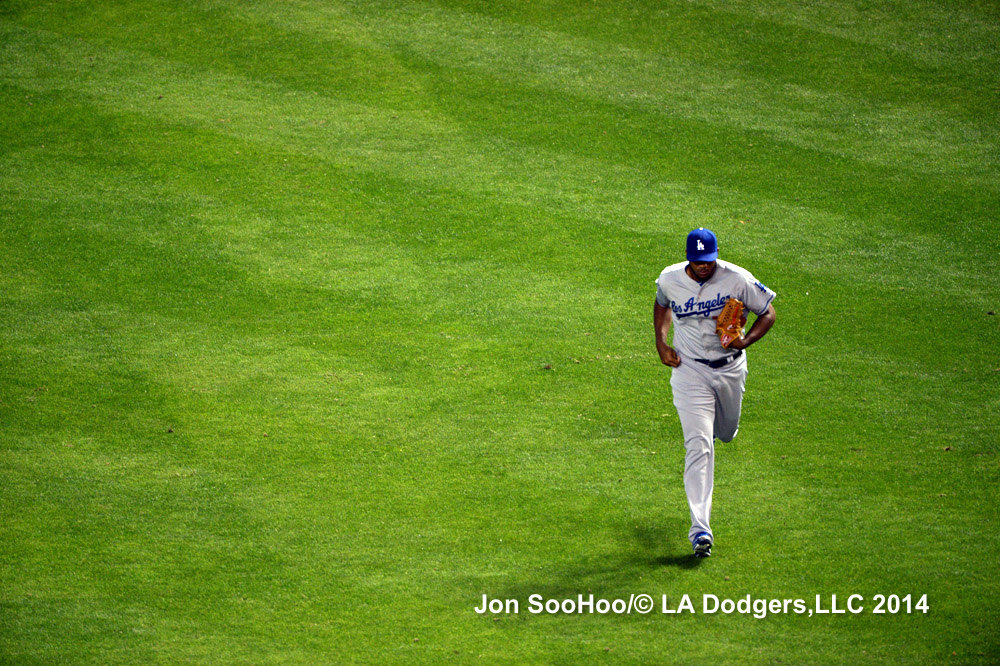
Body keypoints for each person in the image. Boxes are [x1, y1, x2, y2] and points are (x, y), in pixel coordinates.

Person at [653, 228, 776, 558]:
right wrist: (661, 343)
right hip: (689, 370)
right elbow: (662, 304)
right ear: (688, 258)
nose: (703, 266)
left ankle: (726, 428)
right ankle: (700, 530)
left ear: (715, 255)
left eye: (708, 261)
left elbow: (768, 312)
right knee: (699, 444)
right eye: (697, 261)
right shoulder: (669, 279)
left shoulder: (737, 279)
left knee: (725, 432)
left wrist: (746, 340)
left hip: (730, 369)